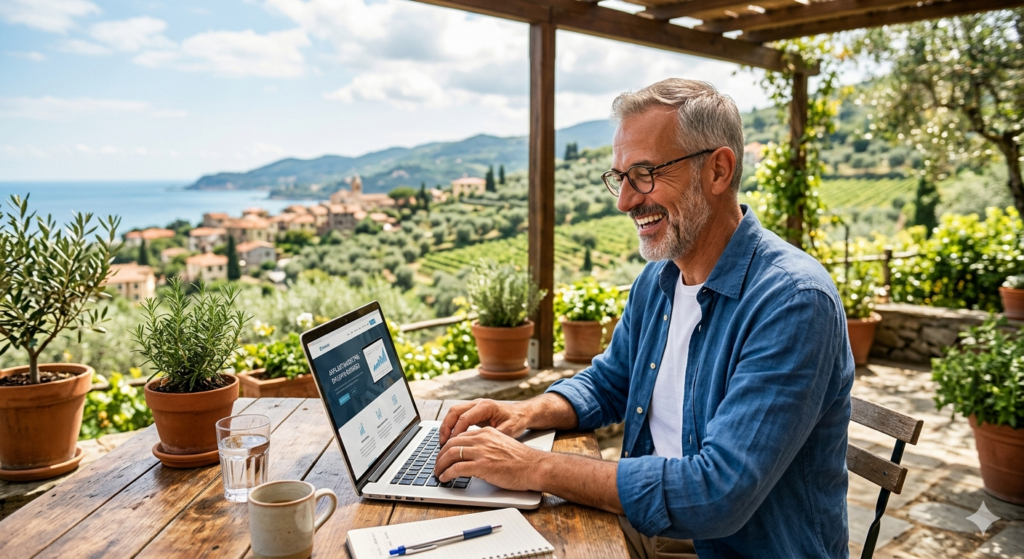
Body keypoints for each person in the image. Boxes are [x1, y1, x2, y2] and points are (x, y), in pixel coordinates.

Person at [433, 79, 854, 559]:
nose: (625, 201)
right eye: (620, 177)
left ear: (718, 170)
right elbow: (610, 383)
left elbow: (716, 493)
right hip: (651, 525)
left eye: (645, 173)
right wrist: (524, 412)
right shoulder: (659, 280)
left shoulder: (793, 301)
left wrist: (531, 466)